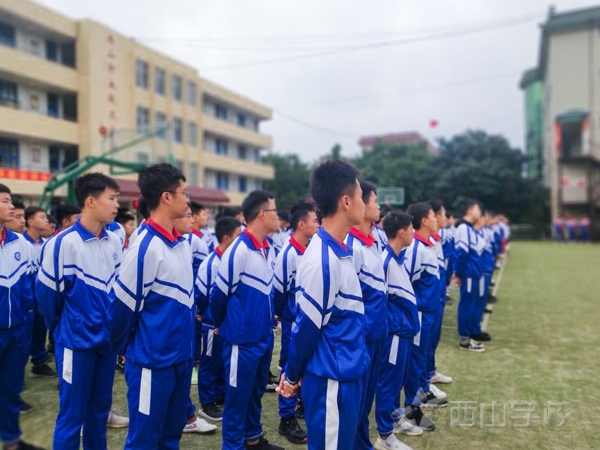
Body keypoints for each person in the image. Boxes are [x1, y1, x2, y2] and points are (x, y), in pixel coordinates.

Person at [278, 160, 368, 450]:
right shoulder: (322, 259)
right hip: (332, 379)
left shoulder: (339, 251)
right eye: (360, 196)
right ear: (346, 201)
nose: (364, 203)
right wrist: (292, 375)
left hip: (346, 373)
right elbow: (306, 328)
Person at [109, 164, 196, 449]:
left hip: (180, 358)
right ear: (166, 197)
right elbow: (122, 309)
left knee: (171, 437)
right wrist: (125, 350)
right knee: (144, 439)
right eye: (184, 193)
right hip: (152, 362)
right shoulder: (145, 247)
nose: (188, 200)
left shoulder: (181, 243)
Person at [35, 173, 123, 450]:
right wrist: (64, 327)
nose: (117, 205)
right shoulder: (62, 243)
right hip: (76, 343)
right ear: (90, 201)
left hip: (106, 344)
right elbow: (47, 299)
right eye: (111, 198)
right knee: (72, 415)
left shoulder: (114, 240)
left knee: (99, 411)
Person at [210, 190, 283, 450]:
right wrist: (223, 325)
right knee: (237, 399)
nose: (278, 216)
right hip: (241, 343)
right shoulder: (238, 251)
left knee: (255, 394)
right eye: (274, 210)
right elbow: (218, 296)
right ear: (262, 214)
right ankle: (233, 446)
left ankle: (253, 439)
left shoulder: (267, 248)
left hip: (263, 337)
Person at [0, 185, 44, 450]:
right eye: (5, 201)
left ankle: (11, 441)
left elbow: (28, 284)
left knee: (11, 388)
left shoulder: (21, 243)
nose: (12, 206)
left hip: (17, 330)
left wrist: (26, 316)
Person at [345, 180, 387, 450]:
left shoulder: (373, 243)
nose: (378, 206)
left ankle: (362, 444)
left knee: (366, 403)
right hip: (361, 338)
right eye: (373, 200)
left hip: (377, 333)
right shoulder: (351, 246)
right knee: (355, 405)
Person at [374, 210, 421, 450]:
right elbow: (379, 303)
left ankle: (395, 420)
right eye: (411, 229)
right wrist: (393, 327)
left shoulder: (398, 259)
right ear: (401, 232)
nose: (414, 233)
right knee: (388, 383)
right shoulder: (385, 261)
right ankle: (384, 437)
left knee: (397, 381)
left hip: (404, 333)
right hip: (394, 335)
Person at [273, 202, 319, 444]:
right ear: (301, 224)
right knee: (289, 364)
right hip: (293, 320)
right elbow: (279, 291)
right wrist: (280, 315)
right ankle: (286, 417)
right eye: (314, 220)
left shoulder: (310, 249)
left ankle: (301, 404)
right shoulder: (288, 254)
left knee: (305, 363)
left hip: (307, 319)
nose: (318, 224)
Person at [195, 217, 242, 422]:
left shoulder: (231, 260)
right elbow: (202, 294)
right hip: (211, 323)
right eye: (238, 236)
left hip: (225, 322)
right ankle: (207, 403)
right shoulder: (211, 263)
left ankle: (220, 393)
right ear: (226, 238)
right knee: (209, 362)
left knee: (222, 361)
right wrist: (206, 315)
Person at [402, 203, 444, 432]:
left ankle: (422, 394)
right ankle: (412, 408)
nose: (437, 219)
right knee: (415, 361)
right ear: (424, 221)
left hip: (430, 312)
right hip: (419, 314)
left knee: (423, 357)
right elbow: (406, 283)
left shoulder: (427, 246)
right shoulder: (415, 249)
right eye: (433, 216)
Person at [23, 206, 56, 378]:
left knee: (41, 329)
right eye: (41, 217)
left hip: (41, 295)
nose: (46, 220)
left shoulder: (46, 244)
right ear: (30, 221)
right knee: (23, 334)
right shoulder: (21, 243)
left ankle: (39, 362)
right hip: (25, 297)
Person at [427, 200, 453, 388]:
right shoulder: (422, 245)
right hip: (429, 300)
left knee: (434, 339)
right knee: (426, 342)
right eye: (442, 214)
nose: (445, 218)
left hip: (438, 296)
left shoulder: (435, 240)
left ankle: (430, 372)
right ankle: (424, 381)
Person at [454, 199, 485, 352]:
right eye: (477, 209)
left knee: (470, 305)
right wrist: (459, 274)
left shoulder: (470, 229)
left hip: (473, 273)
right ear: (469, 211)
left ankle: (468, 336)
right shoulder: (463, 228)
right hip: (469, 274)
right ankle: (464, 340)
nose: (480, 212)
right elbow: (462, 253)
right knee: (466, 306)